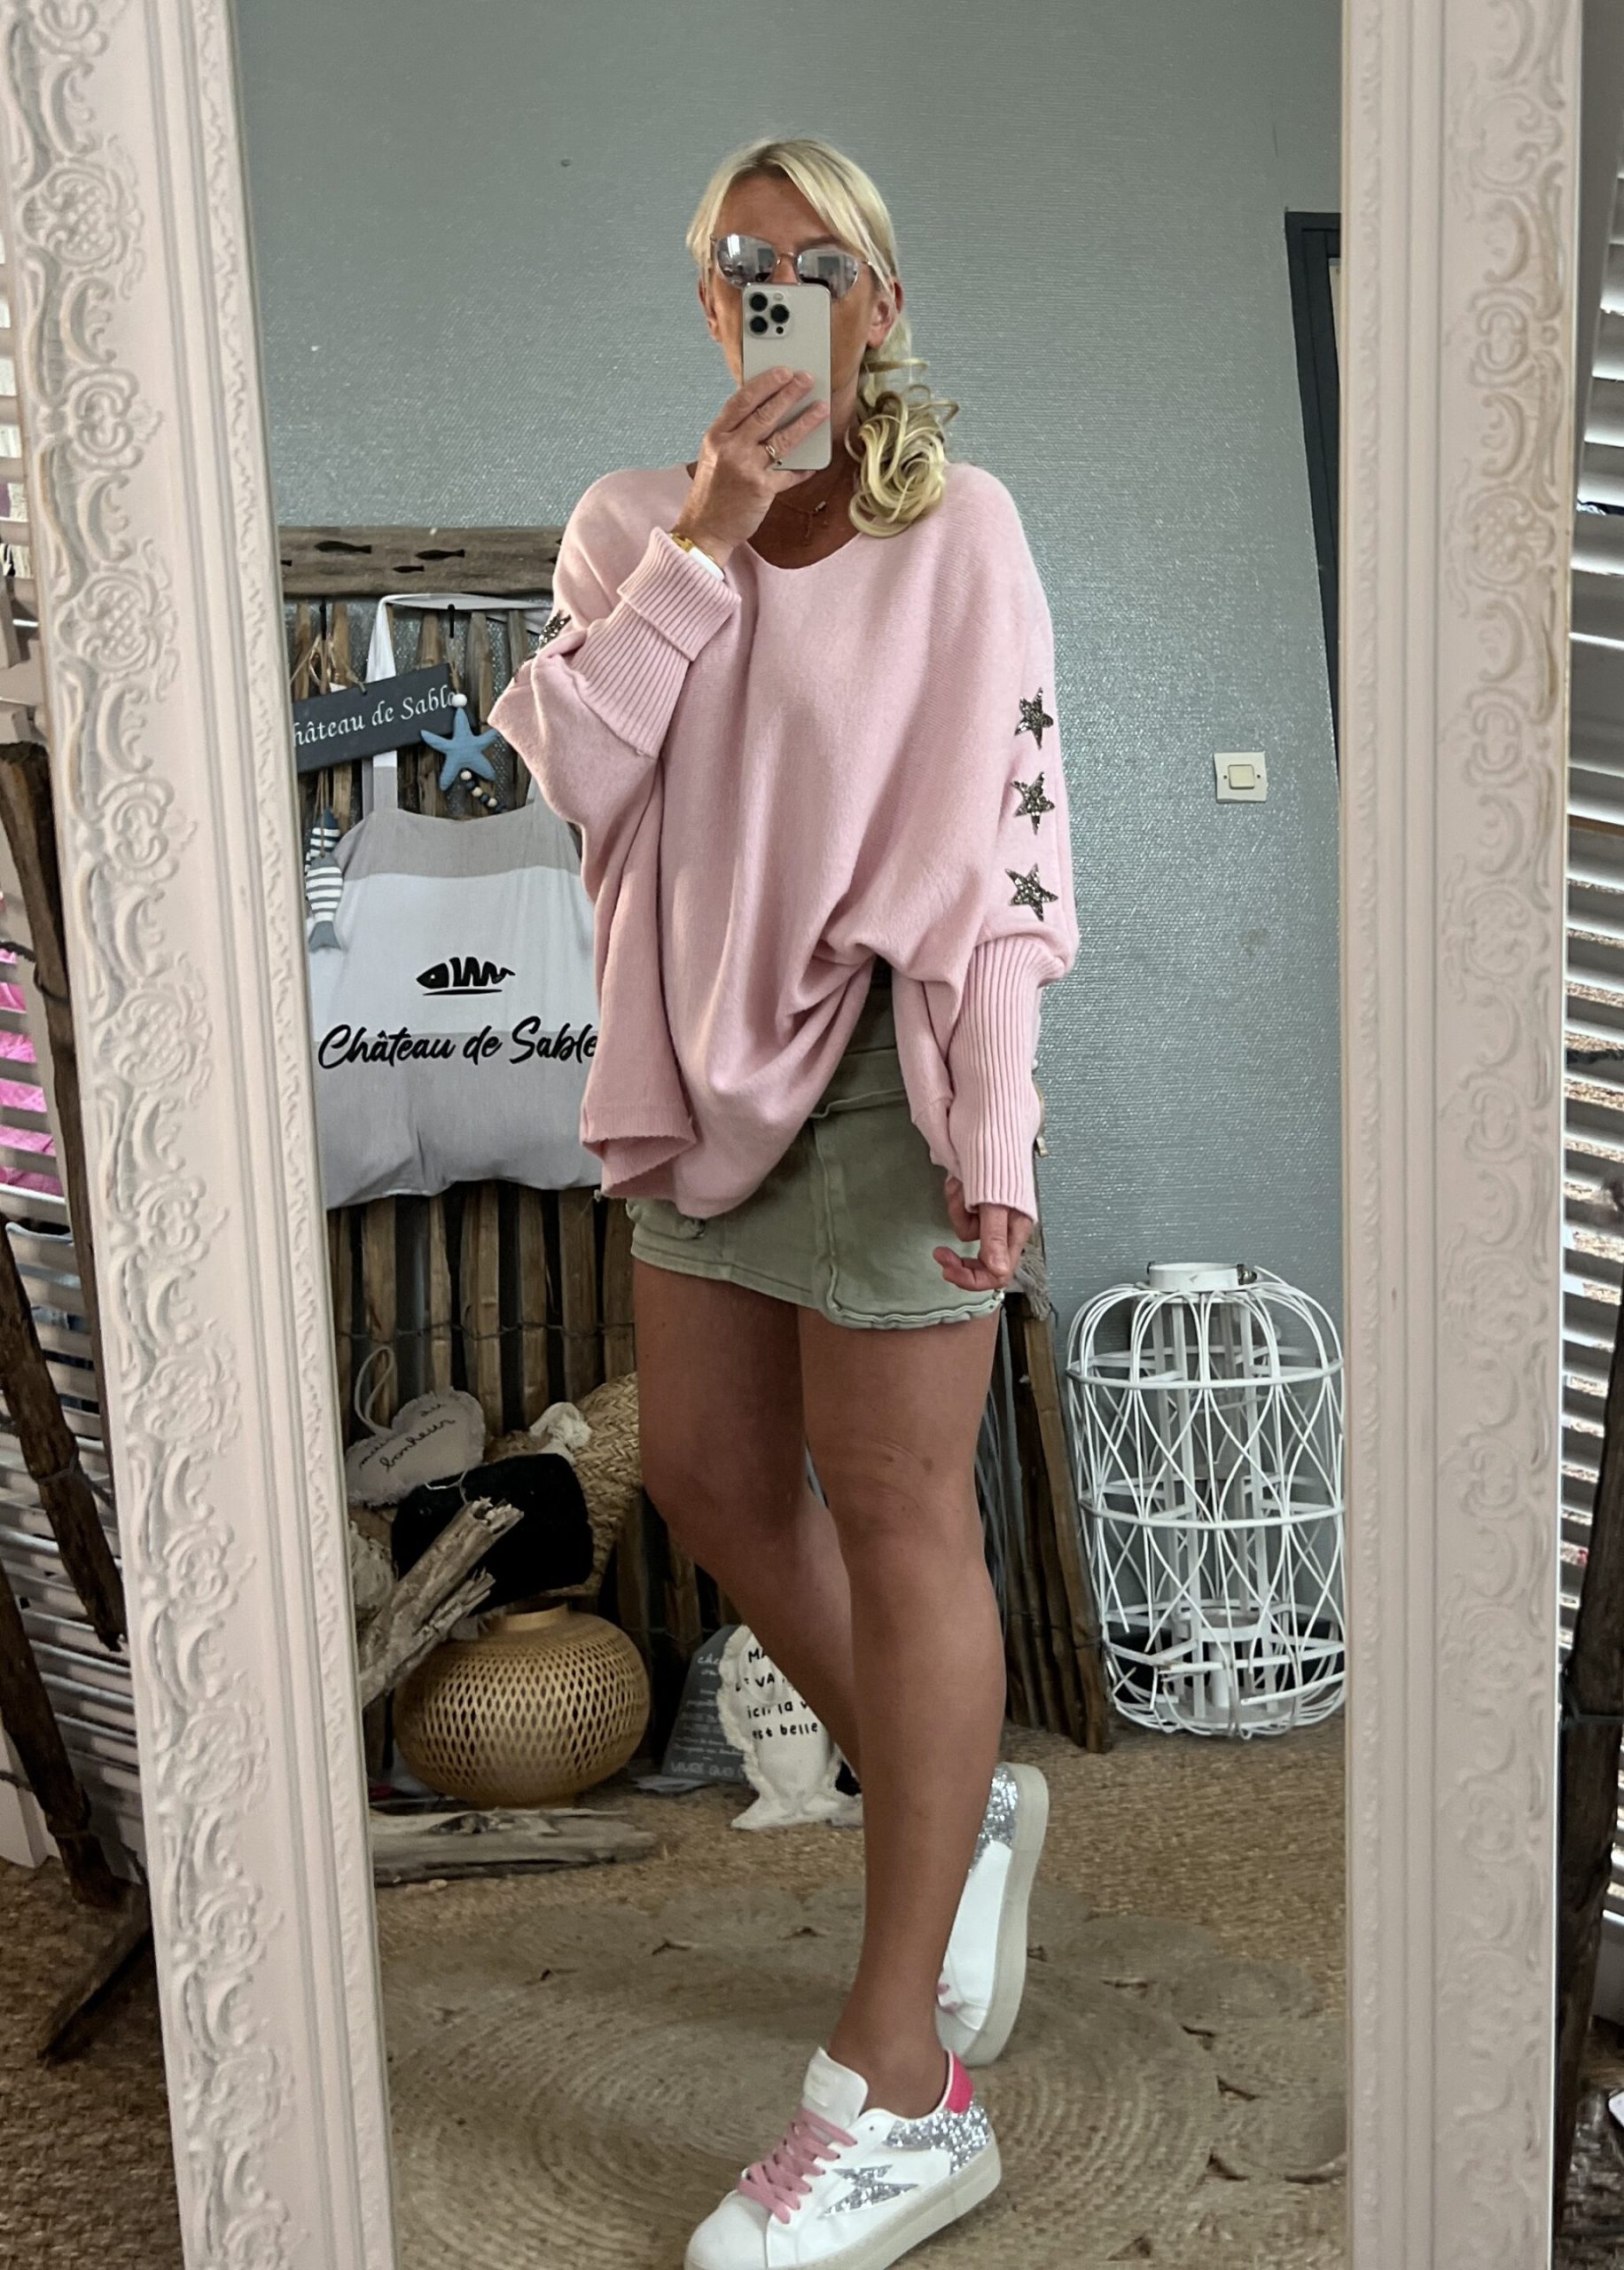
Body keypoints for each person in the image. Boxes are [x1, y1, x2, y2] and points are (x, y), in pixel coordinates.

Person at [490, 132, 1078, 2270]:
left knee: (903, 1513)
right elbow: (576, 770)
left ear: (880, 303)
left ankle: (901, 2086)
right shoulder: (630, 527)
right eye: (738, 264)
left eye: (812, 266)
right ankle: (961, 1796)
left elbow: (1005, 859)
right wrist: (710, 541)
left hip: (892, 1065)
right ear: (704, 299)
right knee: (720, 1481)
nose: (772, 292)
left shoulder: (961, 531)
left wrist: (995, 1118)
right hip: (695, 1074)